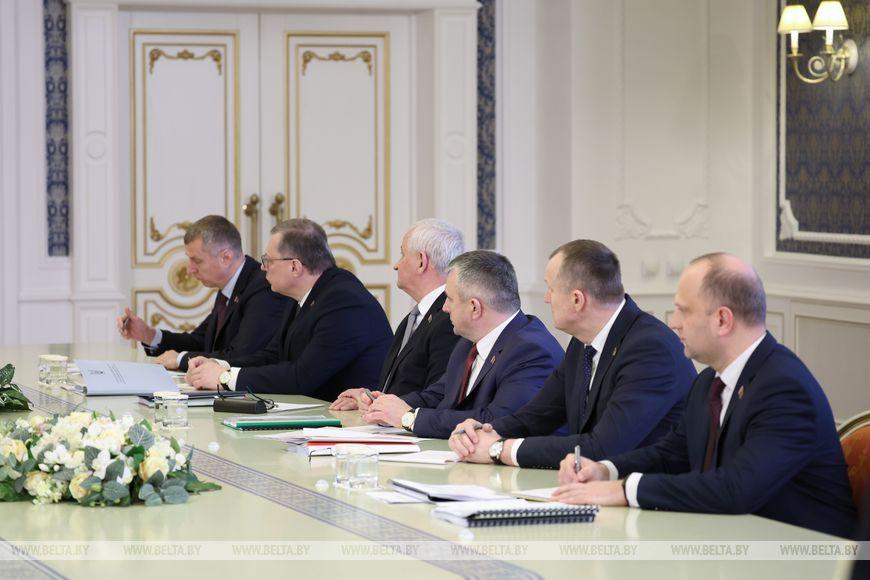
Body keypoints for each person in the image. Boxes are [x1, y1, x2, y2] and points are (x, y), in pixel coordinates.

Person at [552, 253, 856, 538]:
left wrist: (624, 490)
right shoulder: (709, 381)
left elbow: (736, 489)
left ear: (722, 320)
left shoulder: (785, 389)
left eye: (684, 311)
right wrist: (605, 470)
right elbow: (671, 455)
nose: (674, 322)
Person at [449, 240, 695, 468]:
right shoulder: (582, 343)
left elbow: (604, 447)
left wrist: (500, 450)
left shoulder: (651, 348)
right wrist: (482, 433)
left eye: (550, 289)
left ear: (577, 300)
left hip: (650, 491)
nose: (546, 298)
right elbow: (538, 415)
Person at [361, 250, 564, 439]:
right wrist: (386, 406)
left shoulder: (531, 351)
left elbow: (495, 422)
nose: (444, 308)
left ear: (475, 307)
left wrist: (409, 418)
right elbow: (439, 394)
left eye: (450, 299)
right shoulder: (467, 342)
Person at [185, 218, 393, 401]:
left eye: (268, 260)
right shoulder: (305, 295)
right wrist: (221, 365)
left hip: (353, 421)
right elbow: (274, 355)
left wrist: (225, 378)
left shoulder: (344, 302)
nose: (262, 267)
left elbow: (301, 377)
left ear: (295, 267)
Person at [116, 215, 287, 371]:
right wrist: (148, 334)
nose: (189, 270)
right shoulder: (229, 286)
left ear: (226, 258)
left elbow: (242, 356)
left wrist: (181, 359)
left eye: (196, 260)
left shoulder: (263, 288)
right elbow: (200, 341)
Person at [330, 219, 463, 411]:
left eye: (402, 255)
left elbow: (437, 397)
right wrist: (368, 399)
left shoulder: (449, 319)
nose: (396, 265)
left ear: (421, 261)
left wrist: (377, 404)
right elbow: (401, 386)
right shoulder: (415, 317)